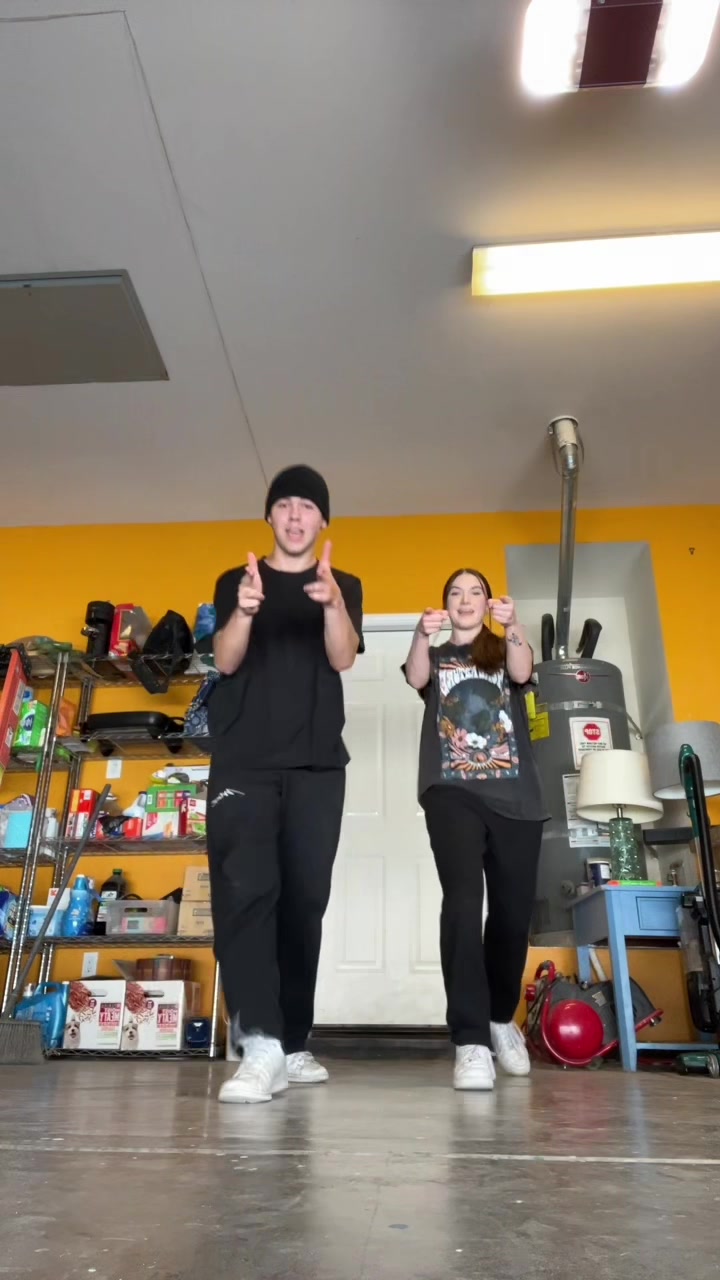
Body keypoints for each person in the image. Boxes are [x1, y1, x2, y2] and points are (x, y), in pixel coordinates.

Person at [208, 464, 363, 1104]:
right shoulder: (236, 580)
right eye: (285, 505)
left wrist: (333, 605)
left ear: (322, 520)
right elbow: (224, 659)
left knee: (304, 902)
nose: (296, 516)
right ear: (269, 515)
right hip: (244, 761)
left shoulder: (343, 584)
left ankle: (293, 1041)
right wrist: (244, 611)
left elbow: (343, 656)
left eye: (307, 506)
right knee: (246, 894)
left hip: (317, 765)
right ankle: (260, 1044)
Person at [403, 568, 548, 1091]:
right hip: (452, 792)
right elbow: (416, 677)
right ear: (445, 604)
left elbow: (523, 669)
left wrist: (514, 626)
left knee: (512, 915)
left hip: (517, 796)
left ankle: (498, 1017)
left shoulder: (502, 650)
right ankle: (469, 1039)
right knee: (464, 903)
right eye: (455, 593)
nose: (465, 600)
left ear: (488, 603)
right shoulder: (438, 656)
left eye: (475, 592)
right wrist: (421, 634)